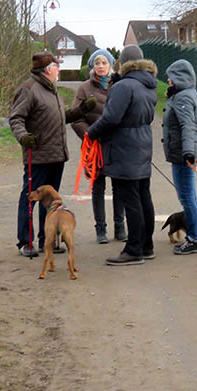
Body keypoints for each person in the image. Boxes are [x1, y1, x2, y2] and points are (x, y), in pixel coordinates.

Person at [10, 52, 95, 257]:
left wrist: (80, 111)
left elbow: (58, 117)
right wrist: (24, 137)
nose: (59, 69)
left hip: (56, 155)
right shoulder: (28, 90)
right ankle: (25, 241)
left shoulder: (51, 89)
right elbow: (16, 118)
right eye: (57, 66)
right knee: (31, 197)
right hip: (38, 155)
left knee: (51, 202)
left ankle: (46, 240)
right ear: (48, 69)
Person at [87, 44, 158, 266]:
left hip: (123, 147)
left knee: (131, 199)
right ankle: (146, 245)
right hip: (143, 144)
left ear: (123, 63)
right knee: (143, 196)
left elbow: (111, 118)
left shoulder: (123, 86)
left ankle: (134, 249)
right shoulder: (148, 85)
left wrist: (92, 133)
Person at [71, 48, 126, 244]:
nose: (100, 67)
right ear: (92, 67)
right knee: (98, 187)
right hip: (95, 146)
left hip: (117, 144)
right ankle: (100, 229)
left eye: (104, 63)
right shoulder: (84, 88)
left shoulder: (120, 85)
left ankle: (120, 227)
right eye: (97, 63)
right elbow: (75, 118)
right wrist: (89, 135)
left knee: (120, 185)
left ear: (111, 65)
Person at [162, 59, 197, 255]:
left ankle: (195, 238)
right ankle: (196, 235)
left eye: (171, 76)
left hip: (183, 154)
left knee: (187, 197)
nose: (168, 80)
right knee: (187, 196)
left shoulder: (183, 98)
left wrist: (188, 152)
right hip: (181, 153)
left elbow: (188, 126)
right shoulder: (183, 94)